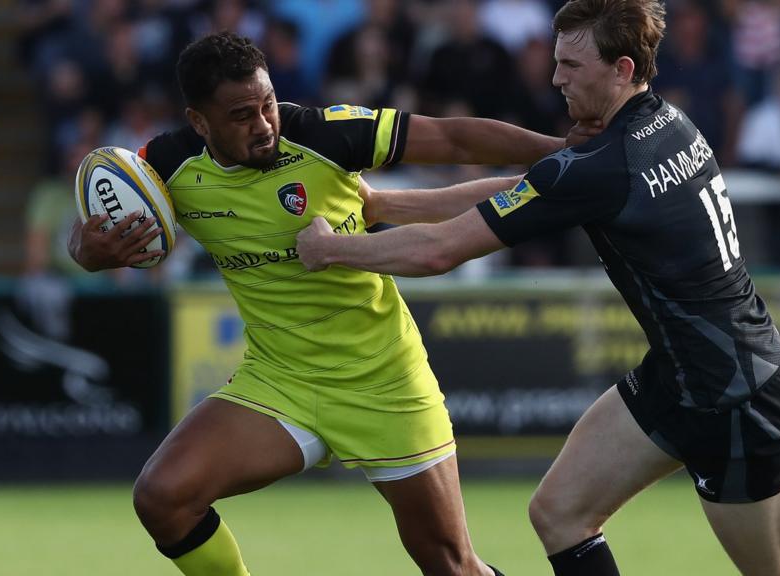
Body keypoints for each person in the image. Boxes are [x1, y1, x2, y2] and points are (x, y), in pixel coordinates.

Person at [295, 1, 780, 575]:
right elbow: (521, 195)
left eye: (571, 64)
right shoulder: (664, 121)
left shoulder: (604, 164)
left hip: (734, 392)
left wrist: (331, 251)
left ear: (621, 68)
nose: (556, 77)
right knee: (560, 514)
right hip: (682, 377)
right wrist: (383, 206)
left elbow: (440, 253)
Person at [68, 31, 586, 576]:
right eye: (242, 115)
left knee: (450, 564)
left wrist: (560, 151)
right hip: (281, 380)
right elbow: (91, 230)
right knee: (162, 497)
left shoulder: (324, 134)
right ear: (200, 122)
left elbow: (453, 140)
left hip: (384, 380)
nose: (264, 123)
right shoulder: (167, 167)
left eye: (266, 104)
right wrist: (88, 250)